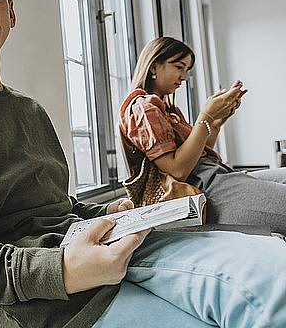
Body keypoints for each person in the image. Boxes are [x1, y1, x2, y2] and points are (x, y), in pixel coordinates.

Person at [0, 0, 286, 327]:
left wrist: (106, 212)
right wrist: (61, 270)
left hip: (104, 262)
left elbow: (55, 210)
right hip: (48, 306)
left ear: (11, 13)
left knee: (266, 261)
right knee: (266, 286)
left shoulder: (29, 110)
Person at [119, 37, 286, 234]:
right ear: (154, 66)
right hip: (208, 190)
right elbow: (177, 171)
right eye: (179, 67)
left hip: (217, 176)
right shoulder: (144, 108)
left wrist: (214, 124)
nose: (184, 77)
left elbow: (198, 155)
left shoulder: (167, 110)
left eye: (186, 70)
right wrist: (205, 116)